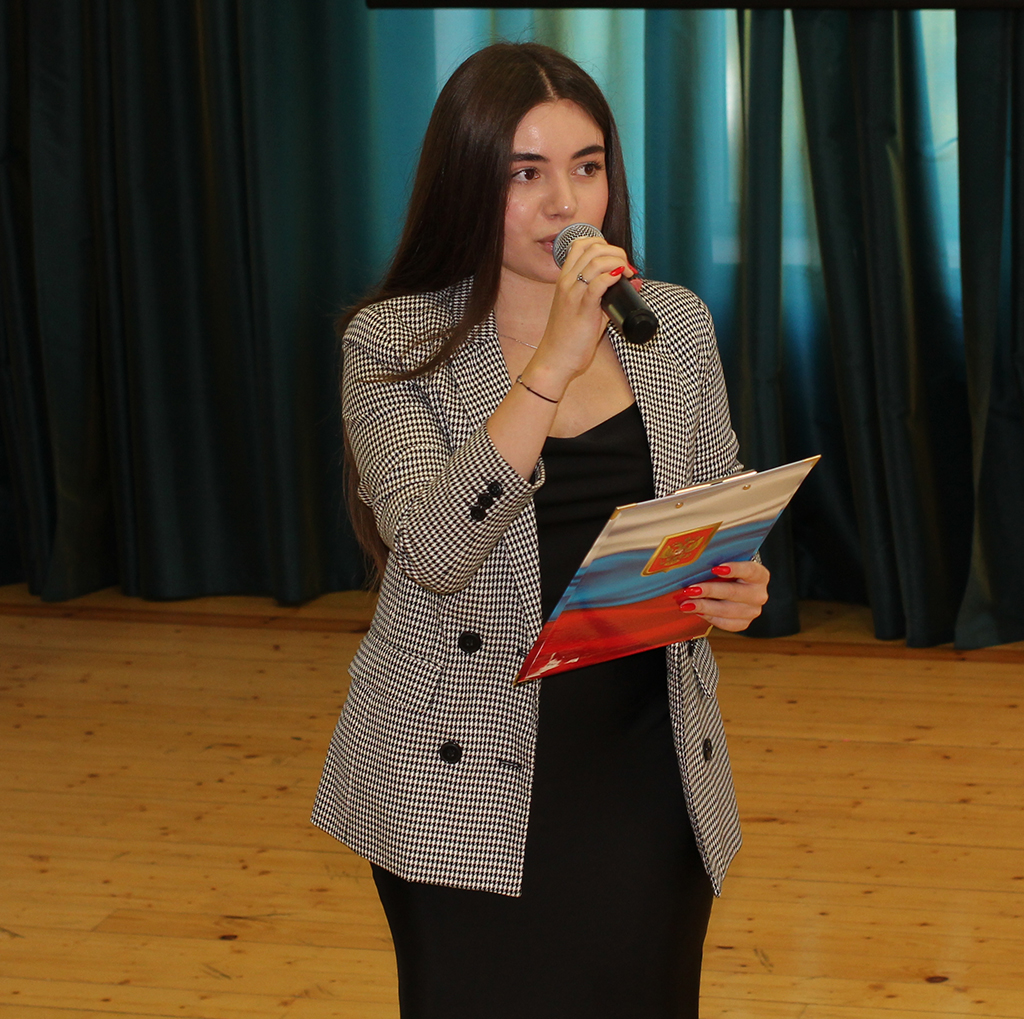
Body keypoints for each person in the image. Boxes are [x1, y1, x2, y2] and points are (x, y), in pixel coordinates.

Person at [312, 41, 769, 1019]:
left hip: (645, 764)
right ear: (466, 181)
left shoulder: (674, 326)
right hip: (459, 770)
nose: (566, 204)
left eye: (586, 166)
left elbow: (717, 495)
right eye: (526, 173)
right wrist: (550, 366)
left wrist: (738, 579)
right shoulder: (392, 342)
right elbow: (434, 551)